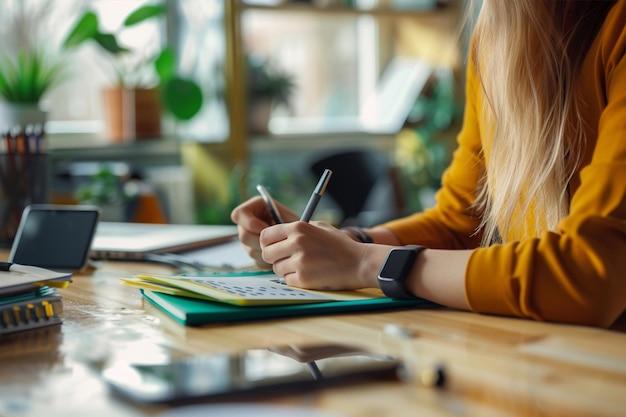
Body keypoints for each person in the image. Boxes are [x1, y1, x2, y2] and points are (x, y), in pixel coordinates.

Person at [231, 0, 626, 328]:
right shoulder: (497, 40)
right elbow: (461, 224)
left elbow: (589, 274)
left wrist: (366, 263)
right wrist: (342, 246)